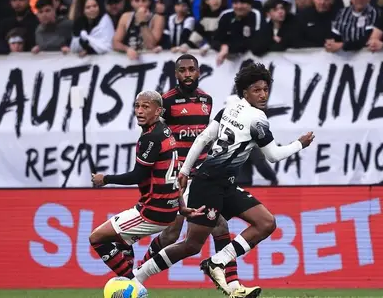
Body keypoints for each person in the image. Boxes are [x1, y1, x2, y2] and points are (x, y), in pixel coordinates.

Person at [130, 63, 315, 298]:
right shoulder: (258, 118)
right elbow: (273, 156)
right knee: (190, 245)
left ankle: (218, 263)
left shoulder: (231, 108)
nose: (262, 95)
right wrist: (300, 143)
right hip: (208, 185)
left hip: (223, 183)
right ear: (245, 91)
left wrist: (186, 171)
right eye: (256, 90)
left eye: (266, 90)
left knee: (266, 222)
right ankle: (138, 277)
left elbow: (204, 136)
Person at [138, 54, 259, 294]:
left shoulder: (206, 100)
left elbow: (207, 136)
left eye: (191, 69)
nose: (187, 74)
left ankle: (233, 285)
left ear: (199, 71)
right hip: (178, 176)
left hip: (203, 175)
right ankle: (137, 275)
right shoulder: (167, 102)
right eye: (182, 70)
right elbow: (154, 135)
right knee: (173, 233)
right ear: (176, 74)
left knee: (220, 226)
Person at [89, 90, 203, 286]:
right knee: (121, 242)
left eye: (145, 107)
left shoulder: (151, 138)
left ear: (158, 111)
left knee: (97, 238)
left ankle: (133, 283)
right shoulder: (165, 131)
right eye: (137, 106)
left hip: (152, 211)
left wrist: (105, 179)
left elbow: (137, 175)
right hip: (169, 207)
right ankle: (131, 281)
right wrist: (181, 206)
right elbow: (175, 174)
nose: (139, 111)